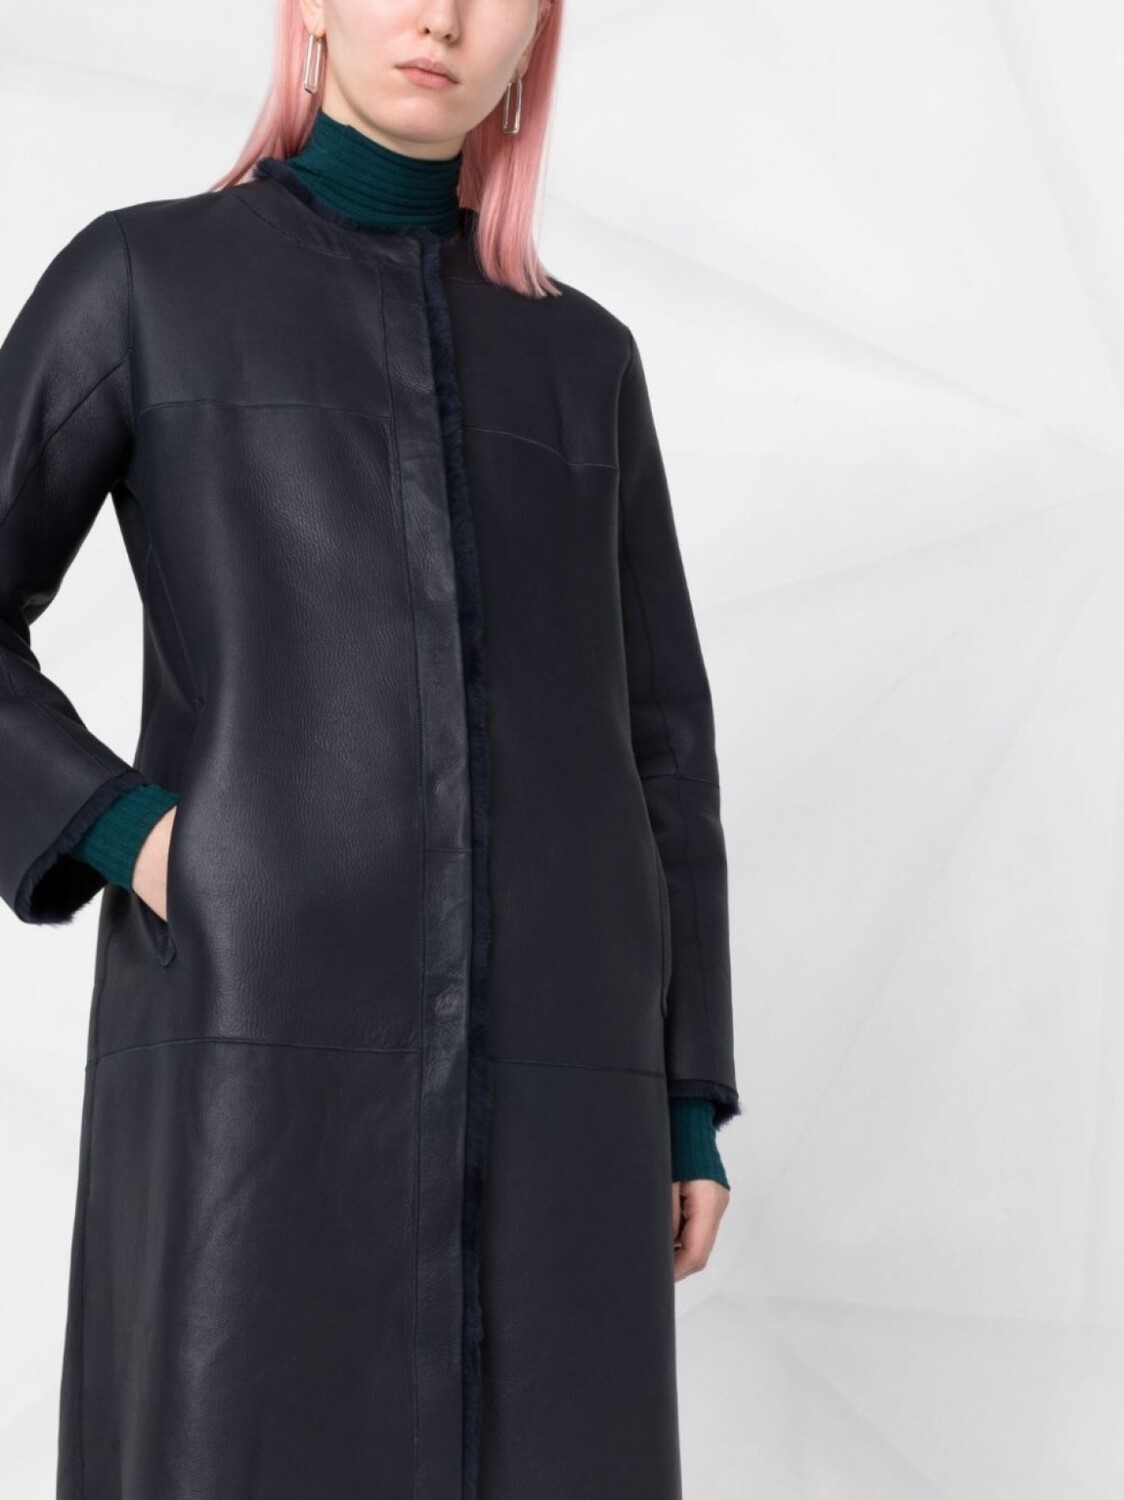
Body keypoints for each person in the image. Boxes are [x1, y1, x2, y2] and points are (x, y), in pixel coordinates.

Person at [0, 2, 741, 1496]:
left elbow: (661, 743)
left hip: (563, 1091)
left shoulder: (583, 359)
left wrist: (684, 1096)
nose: (441, 17)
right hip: (257, 1065)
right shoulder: (146, 283)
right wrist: (133, 837)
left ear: (537, 37)